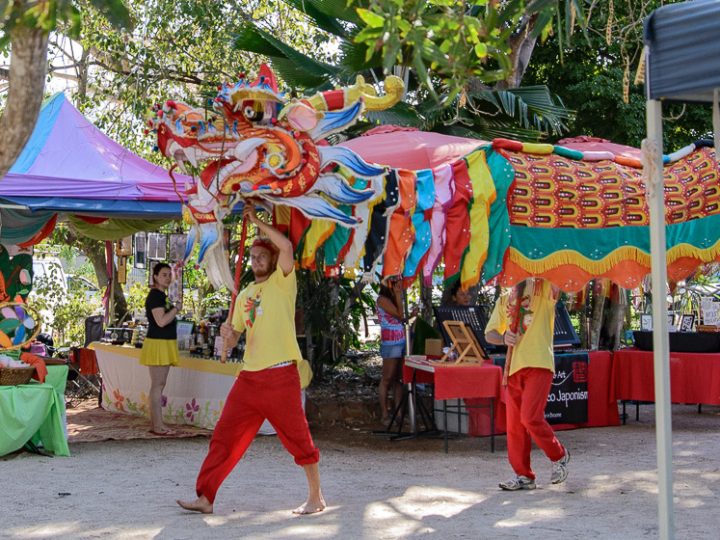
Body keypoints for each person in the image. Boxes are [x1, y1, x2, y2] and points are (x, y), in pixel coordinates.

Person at [177, 203, 325, 515]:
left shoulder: (283, 281)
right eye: (253, 256)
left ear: (272, 260)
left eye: (261, 256)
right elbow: (234, 339)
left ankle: (316, 497)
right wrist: (227, 335)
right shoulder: (243, 294)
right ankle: (206, 497)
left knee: (298, 438)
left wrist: (257, 221)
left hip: (281, 375)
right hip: (249, 377)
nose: (256, 260)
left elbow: (285, 244)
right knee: (224, 437)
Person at [484, 278, 570, 491]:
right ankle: (523, 475)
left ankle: (559, 455)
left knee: (530, 418)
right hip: (513, 367)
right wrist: (504, 338)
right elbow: (490, 333)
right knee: (514, 426)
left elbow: (560, 279)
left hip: (539, 362)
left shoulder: (544, 286)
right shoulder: (504, 299)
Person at [140, 262, 180, 436]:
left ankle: (157, 423)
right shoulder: (155, 296)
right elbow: (161, 321)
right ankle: (158, 425)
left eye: (169, 274)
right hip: (158, 343)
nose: (168, 277)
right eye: (164, 274)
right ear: (155, 277)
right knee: (158, 385)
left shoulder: (162, 296)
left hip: (164, 342)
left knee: (159, 385)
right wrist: (176, 309)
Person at [376, 278, 407, 425]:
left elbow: (401, 319)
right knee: (387, 379)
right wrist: (398, 295)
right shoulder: (382, 299)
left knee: (399, 380)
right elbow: (399, 314)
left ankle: (399, 414)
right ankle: (385, 414)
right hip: (390, 342)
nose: (399, 285)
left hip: (401, 340)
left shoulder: (394, 298)